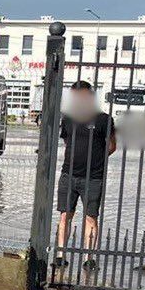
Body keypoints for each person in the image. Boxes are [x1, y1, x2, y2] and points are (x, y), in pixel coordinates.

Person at [55, 79, 116, 268]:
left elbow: (112, 146)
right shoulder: (68, 119)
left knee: (91, 217)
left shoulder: (104, 119)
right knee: (65, 215)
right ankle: (60, 255)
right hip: (69, 175)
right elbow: (67, 143)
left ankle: (88, 259)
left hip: (94, 177)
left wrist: (95, 159)